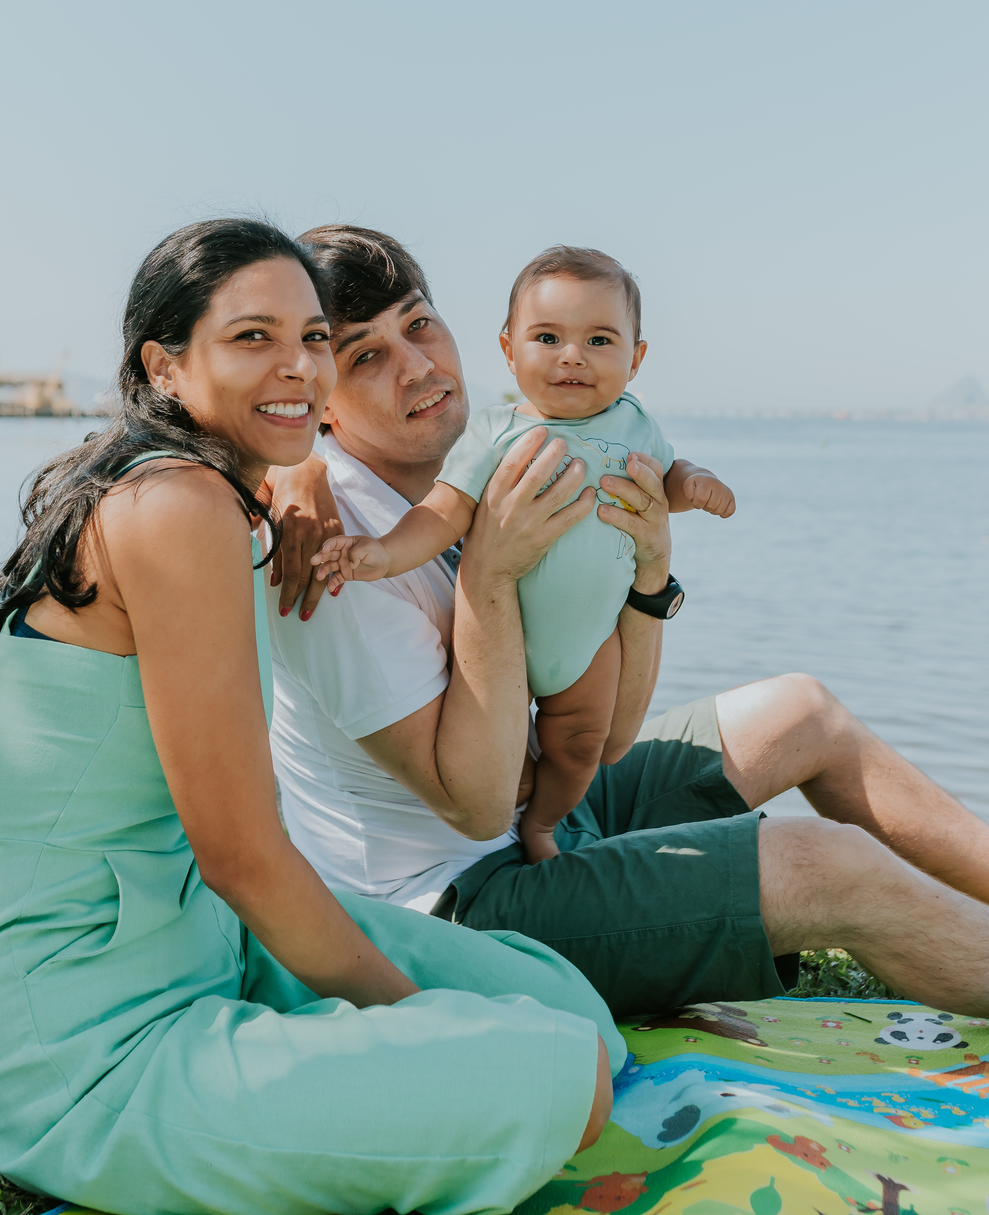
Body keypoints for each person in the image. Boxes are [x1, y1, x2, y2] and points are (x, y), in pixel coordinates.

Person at [0, 218, 619, 1215]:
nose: (300, 366)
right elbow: (243, 857)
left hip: (206, 948)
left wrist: (295, 474)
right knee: (564, 1080)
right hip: (81, 1045)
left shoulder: (222, 492)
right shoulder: (176, 509)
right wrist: (417, 1023)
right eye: (253, 339)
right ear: (164, 364)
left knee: (569, 1008)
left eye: (313, 339)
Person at [266, 223, 989, 1031]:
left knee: (800, 710)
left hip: (546, 809)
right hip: (457, 907)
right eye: (365, 356)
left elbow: (618, 734)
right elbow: (478, 805)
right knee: (827, 865)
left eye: (420, 324)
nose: (418, 368)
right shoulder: (330, 558)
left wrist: (650, 575)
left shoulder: (500, 443)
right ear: (321, 396)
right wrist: (486, 571)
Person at [310, 245, 735, 863]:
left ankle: (546, 824)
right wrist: (380, 554)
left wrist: (685, 497)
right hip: (447, 865)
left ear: (636, 359)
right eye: (548, 337)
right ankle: (542, 831)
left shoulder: (634, 423)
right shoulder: (494, 435)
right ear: (509, 350)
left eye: (599, 341)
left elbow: (616, 742)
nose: (572, 357)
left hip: (591, 639)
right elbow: (442, 514)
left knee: (587, 744)